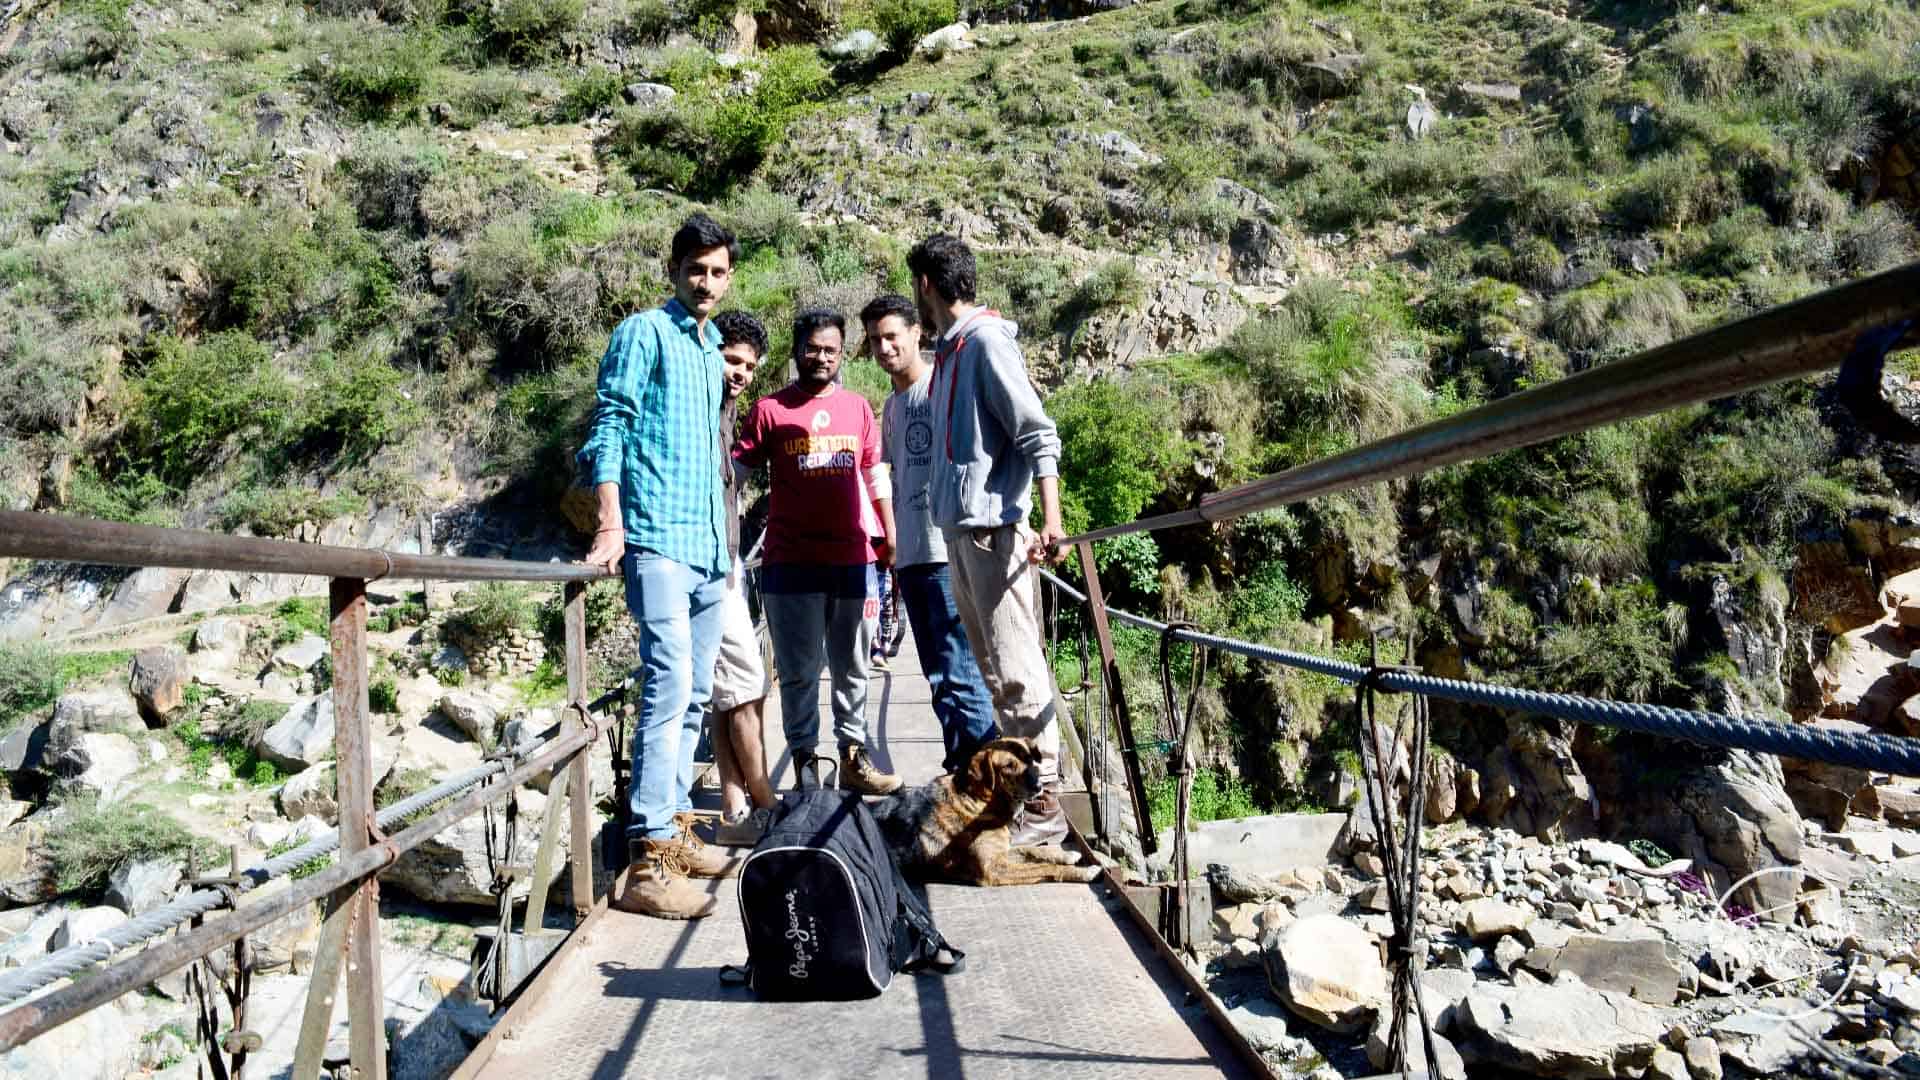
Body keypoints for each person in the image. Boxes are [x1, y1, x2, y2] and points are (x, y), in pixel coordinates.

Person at [579, 213, 740, 919]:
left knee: (697, 694)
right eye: (695, 270)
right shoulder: (643, 332)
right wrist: (610, 523)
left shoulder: (711, 353)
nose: (706, 283)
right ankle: (647, 859)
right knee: (669, 685)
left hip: (707, 547)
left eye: (718, 272)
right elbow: (609, 424)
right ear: (674, 270)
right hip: (656, 539)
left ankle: (673, 829)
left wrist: (724, 548)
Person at [907, 234, 1071, 847]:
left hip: (994, 534)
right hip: (964, 535)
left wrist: (1049, 520)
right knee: (995, 671)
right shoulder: (952, 350)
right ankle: (1022, 797)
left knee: (1016, 668)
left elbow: (1036, 432)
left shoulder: (985, 342)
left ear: (926, 283)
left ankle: (1045, 798)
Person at [734, 309, 904, 796]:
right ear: (796, 350)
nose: (821, 357)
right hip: (788, 562)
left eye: (830, 349)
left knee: (853, 665)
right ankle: (806, 761)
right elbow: (737, 476)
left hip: (852, 558)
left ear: (842, 353)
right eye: (812, 348)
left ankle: (853, 756)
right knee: (799, 671)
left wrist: (890, 533)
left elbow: (875, 475)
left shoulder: (859, 409)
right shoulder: (769, 410)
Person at [861, 294, 1000, 775]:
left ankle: (982, 778)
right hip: (912, 555)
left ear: (917, 333)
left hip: (945, 550)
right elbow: (894, 473)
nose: (883, 348)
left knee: (959, 669)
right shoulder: (893, 404)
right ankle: (965, 769)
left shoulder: (940, 383)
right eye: (875, 340)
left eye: (892, 336)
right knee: (940, 674)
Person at [707, 311, 779, 847]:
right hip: (708, 560)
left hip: (727, 557)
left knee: (724, 690)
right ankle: (763, 799)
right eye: (733, 360)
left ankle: (734, 806)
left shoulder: (728, 410)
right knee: (747, 680)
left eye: (750, 366)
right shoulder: (699, 407)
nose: (742, 373)